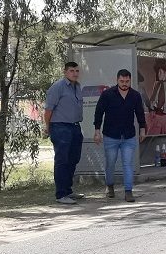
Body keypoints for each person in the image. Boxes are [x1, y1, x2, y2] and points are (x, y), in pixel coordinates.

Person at [93, 69, 146, 202]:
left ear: (130, 80)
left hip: (128, 136)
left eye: (127, 81)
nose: (124, 84)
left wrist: (142, 129)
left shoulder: (135, 95)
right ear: (117, 80)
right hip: (111, 135)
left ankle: (128, 191)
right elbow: (99, 113)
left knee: (128, 164)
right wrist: (97, 131)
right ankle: (109, 186)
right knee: (110, 163)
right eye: (122, 81)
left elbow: (140, 114)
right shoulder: (107, 94)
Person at [44, 62, 84, 205]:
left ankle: (68, 190)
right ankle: (61, 194)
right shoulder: (58, 87)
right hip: (60, 127)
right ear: (65, 72)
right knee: (62, 160)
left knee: (74, 158)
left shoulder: (77, 87)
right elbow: (48, 110)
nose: (75, 73)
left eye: (77, 71)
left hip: (75, 126)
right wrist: (47, 126)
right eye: (72, 71)